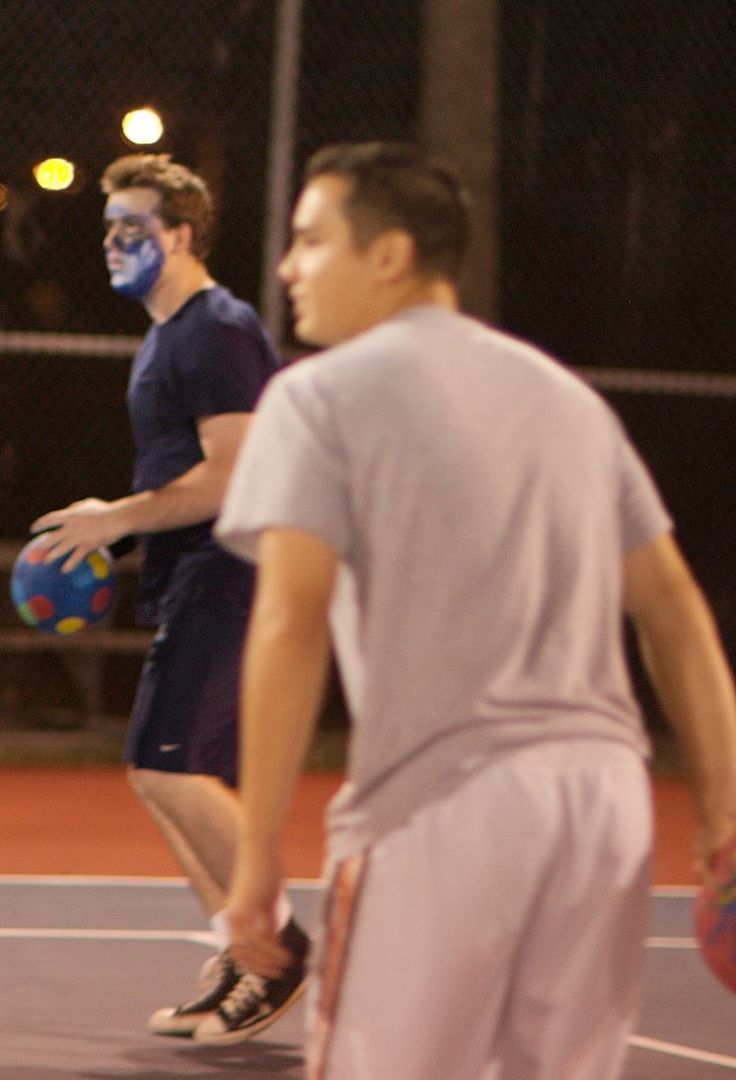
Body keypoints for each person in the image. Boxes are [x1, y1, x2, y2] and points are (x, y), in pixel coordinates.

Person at [216, 142, 736, 1080]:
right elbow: (673, 607)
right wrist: (724, 811)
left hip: (444, 805)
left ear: (390, 255)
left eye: (310, 240)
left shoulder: (316, 397)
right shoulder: (568, 400)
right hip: (606, 809)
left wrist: (255, 852)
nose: (289, 266)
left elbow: (291, 624)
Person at [28, 153, 302, 1043]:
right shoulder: (166, 336)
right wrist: (131, 527)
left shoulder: (215, 327)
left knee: (174, 770)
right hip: (193, 576)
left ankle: (278, 946)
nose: (113, 244)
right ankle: (240, 947)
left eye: (133, 229)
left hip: (235, 577)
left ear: (180, 235)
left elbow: (232, 475)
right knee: (161, 770)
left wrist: (119, 519)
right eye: (108, 229)